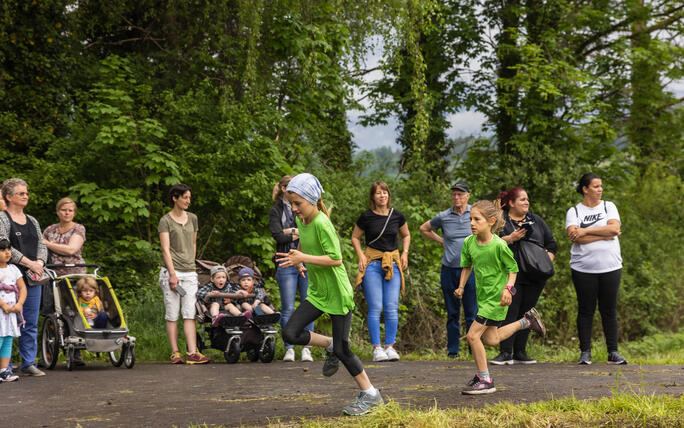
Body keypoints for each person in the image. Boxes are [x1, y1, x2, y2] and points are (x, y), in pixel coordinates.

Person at [277, 173, 384, 416]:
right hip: (318, 292)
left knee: (344, 351)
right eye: (291, 204)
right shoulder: (304, 222)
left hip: (337, 293)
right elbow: (305, 242)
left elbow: (336, 259)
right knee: (290, 332)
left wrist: (303, 257)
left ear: (312, 200)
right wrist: (299, 259)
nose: (294, 209)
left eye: (298, 204)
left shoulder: (322, 223)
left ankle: (371, 394)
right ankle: (328, 344)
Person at [455, 200, 546, 394]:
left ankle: (485, 379)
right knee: (492, 339)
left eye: (476, 219)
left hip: (497, 298)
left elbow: (513, 269)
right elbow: (467, 265)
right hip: (483, 297)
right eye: (470, 218)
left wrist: (508, 289)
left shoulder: (499, 245)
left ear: (491, 221)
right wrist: (461, 286)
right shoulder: (469, 242)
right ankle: (526, 321)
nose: (471, 223)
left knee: (472, 336)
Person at [491, 188, 557, 365]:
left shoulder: (536, 220)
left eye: (527, 199)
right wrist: (511, 238)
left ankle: (520, 352)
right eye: (522, 200)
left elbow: (552, 245)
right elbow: (489, 243)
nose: (527, 202)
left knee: (527, 313)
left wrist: (545, 263)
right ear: (511, 203)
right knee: (509, 311)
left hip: (535, 276)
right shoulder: (501, 220)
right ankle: (505, 353)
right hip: (511, 274)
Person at [566, 173, 626, 365]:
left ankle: (613, 353)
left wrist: (585, 230)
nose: (600, 190)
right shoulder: (574, 211)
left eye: (601, 186)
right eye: (596, 186)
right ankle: (585, 352)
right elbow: (575, 237)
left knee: (609, 310)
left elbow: (614, 230)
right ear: (585, 189)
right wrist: (602, 234)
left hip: (610, 267)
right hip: (583, 269)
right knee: (585, 310)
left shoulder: (609, 206)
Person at [352, 181, 409, 362]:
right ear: (373, 197)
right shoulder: (366, 217)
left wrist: (405, 253)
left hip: (392, 263)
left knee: (392, 307)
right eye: (378, 193)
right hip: (372, 266)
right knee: (375, 307)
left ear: (388, 195)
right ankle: (377, 348)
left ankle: (390, 346)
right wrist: (360, 254)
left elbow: (406, 235)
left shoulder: (397, 216)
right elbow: (355, 237)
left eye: (384, 192)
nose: (382, 196)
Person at [419, 182, 477, 357]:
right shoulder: (444, 216)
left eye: (460, 194)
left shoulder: (474, 213)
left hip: (471, 270)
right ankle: (453, 351)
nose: (456, 198)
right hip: (449, 269)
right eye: (454, 195)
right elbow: (424, 228)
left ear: (468, 196)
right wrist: (441, 241)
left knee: (471, 312)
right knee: (452, 313)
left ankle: (473, 349)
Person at [0, 178, 47, 376]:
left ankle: (29, 362)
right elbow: (3, 244)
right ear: (9, 197)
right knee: (5, 324)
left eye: (26, 193)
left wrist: (40, 264)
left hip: (32, 277)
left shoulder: (32, 220)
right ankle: (6, 367)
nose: (25, 196)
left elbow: (42, 244)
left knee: (30, 321)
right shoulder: (2, 219)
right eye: (21, 193)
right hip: (8, 277)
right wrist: (29, 263)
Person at [158, 183, 210, 365]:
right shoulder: (165, 220)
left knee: (189, 313)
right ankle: (175, 352)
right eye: (185, 197)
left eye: (189, 197)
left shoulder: (193, 218)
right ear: (175, 198)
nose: (188, 201)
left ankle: (192, 352)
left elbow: (193, 243)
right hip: (172, 272)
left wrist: (192, 262)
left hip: (190, 272)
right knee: (172, 313)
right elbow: (165, 249)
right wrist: (172, 274)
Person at [269, 175, 314, 362]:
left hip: (305, 260)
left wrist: (290, 232)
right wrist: (295, 233)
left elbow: (308, 232)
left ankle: (307, 347)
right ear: (282, 188)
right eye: (288, 187)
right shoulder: (276, 210)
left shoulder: (304, 206)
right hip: (285, 261)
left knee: (309, 304)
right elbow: (278, 236)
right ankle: (289, 347)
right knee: (287, 307)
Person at [0, 238, 26, 382]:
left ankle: (4, 370)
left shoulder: (13, 269)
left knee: (7, 339)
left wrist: (19, 304)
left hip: (11, 312)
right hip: (1, 311)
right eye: (3, 250)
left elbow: (22, 288)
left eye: (8, 249)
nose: (7, 252)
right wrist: (3, 306)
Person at [43, 197, 87, 276]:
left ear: (74, 213)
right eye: (63, 210)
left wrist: (48, 244)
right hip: (52, 274)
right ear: (57, 212)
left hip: (75, 274)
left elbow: (71, 250)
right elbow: (40, 248)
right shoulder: (49, 229)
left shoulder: (78, 228)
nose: (67, 213)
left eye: (70, 210)